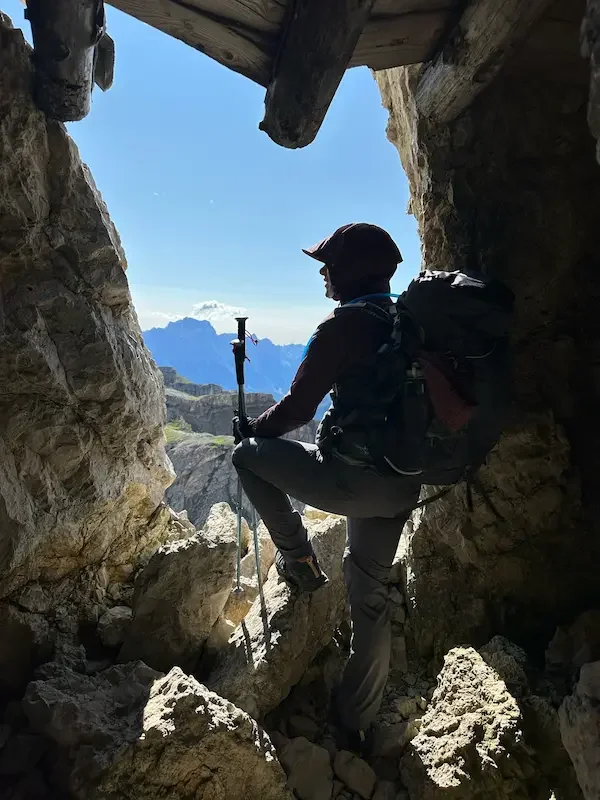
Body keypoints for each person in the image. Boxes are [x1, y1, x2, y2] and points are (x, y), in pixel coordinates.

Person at [231, 222, 421, 751]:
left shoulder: (340, 329)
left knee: (246, 458)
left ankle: (299, 562)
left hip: (350, 480)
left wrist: (253, 429)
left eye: (327, 265)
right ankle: (354, 723)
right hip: (403, 484)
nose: (322, 273)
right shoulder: (408, 321)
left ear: (348, 272)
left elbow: (297, 409)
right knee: (371, 595)